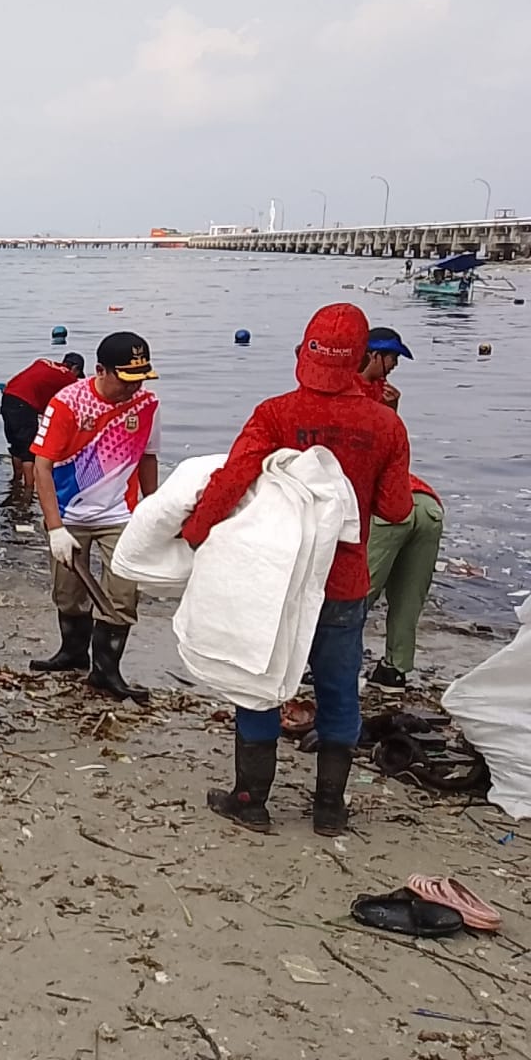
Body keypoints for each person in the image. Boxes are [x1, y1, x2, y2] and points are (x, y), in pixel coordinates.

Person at [185, 304, 412, 837]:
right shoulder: (386, 423)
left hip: (276, 577)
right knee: (338, 692)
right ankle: (330, 809)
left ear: (302, 351)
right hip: (343, 580)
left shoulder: (275, 413)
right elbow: (398, 509)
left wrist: (194, 534)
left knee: (260, 680)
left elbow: (231, 481)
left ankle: (251, 801)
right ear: (361, 359)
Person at [30, 332, 161, 703]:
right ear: (101, 369)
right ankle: (72, 654)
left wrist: (153, 511)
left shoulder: (147, 404)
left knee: (122, 596)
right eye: (126, 378)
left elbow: (148, 458)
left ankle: (106, 671)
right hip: (70, 513)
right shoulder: (68, 403)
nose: (133, 388)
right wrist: (55, 527)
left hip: (121, 514)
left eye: (140, 379)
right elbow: (42, 467)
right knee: (68, 595)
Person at [359, 327, 444, 688]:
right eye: (392, 358)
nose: (394, 366)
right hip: (426, 505)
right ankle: (395, 668)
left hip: (390, 509)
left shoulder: (350, 395)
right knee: (409, 598)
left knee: (355, 596)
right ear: (374, 355)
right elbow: (395, 452)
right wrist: (392, 412)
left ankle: (326, 662)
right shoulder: (379, 399)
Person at [0, 352, 85, 494]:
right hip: (23, 405)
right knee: (28, 451)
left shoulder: (42, 362)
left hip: (8, 398)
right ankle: (28, 490)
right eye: (77, 373)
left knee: (16, 446)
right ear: (75, 368)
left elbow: (38, 390)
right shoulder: (69, 378)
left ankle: (15, 482)